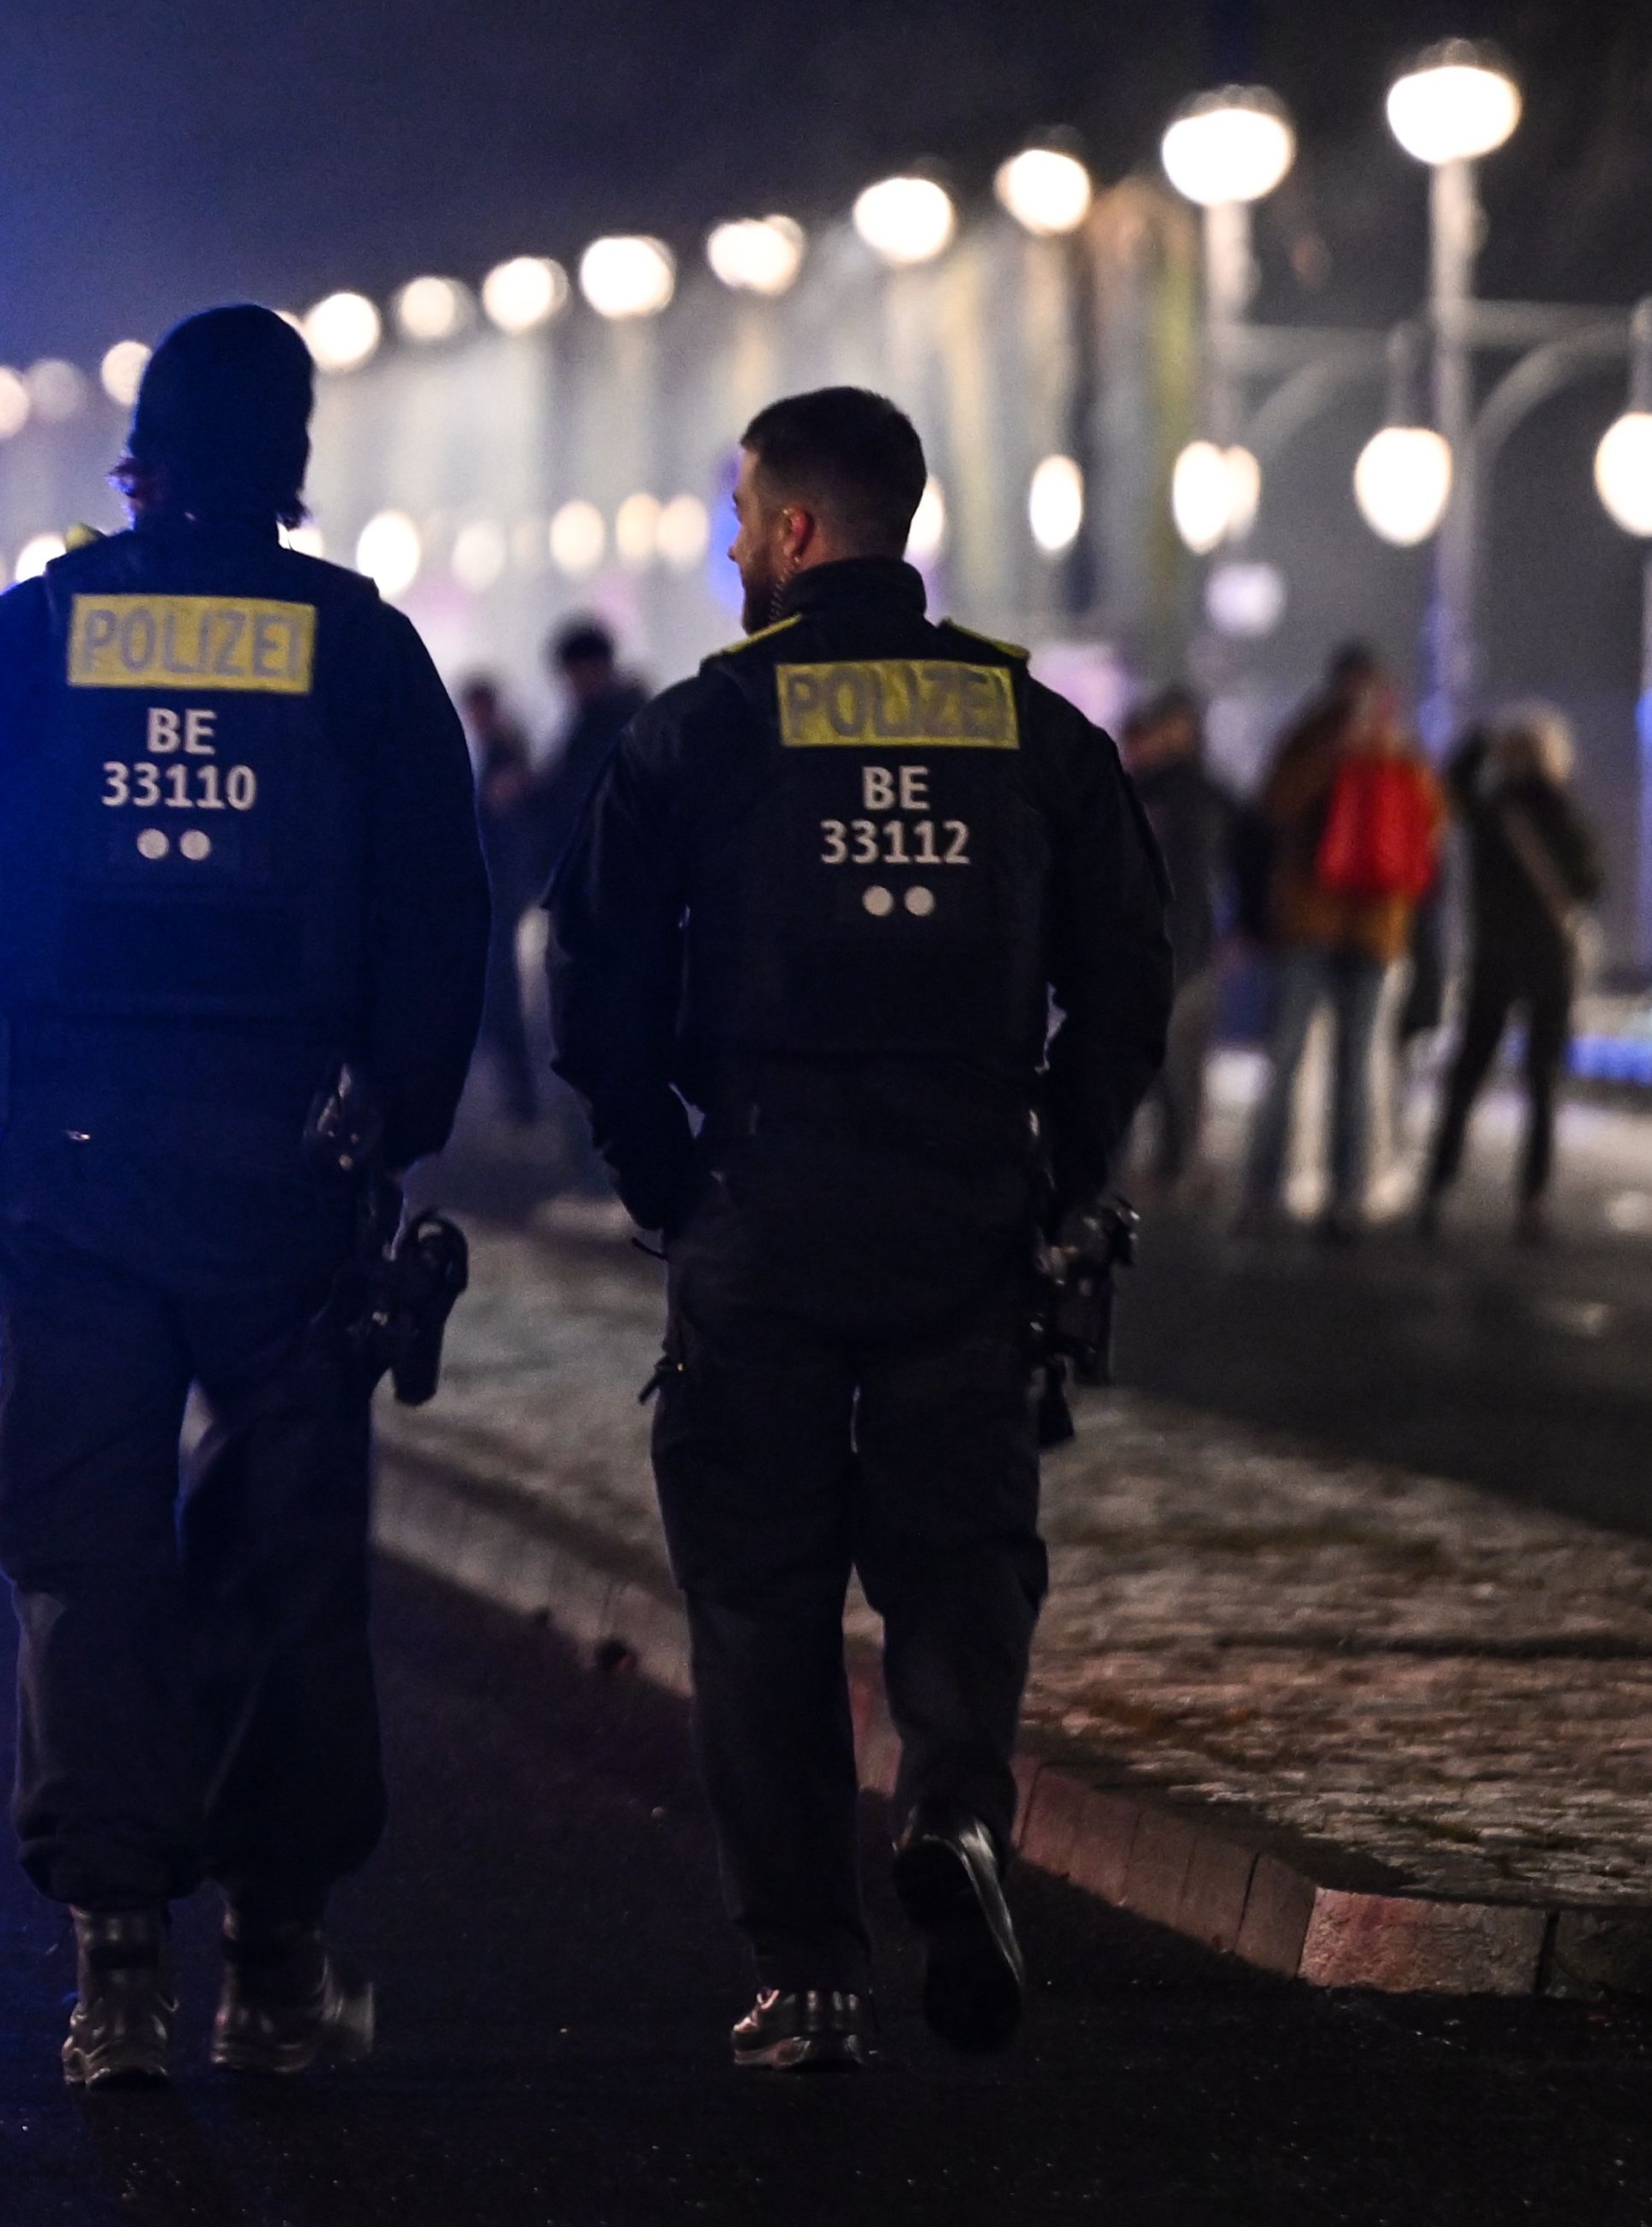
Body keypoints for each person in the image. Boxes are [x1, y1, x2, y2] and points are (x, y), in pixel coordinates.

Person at [0, 303, 489, 2089]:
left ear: (135, 466)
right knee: (286, 1559)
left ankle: (111, 1966)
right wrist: (398, 1126)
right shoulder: (356, 647)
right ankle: (274, 1968)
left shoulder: (33, 634)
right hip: (294, 1175)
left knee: (81, 1550)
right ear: (288, 470)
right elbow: (448, 911)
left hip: (80, 1167)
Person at [549, 386, 1168, 2073]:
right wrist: (1061, 1161)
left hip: (757, 1198)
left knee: (756, 1594)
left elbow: (590, 966)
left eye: (744, 512)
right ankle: (953, 1812)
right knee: (958, 1562)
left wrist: (651, 1162)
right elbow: (1125, 971)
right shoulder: (1031, 727)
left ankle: (806, 1973)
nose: (732, 542)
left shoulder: (702, 727)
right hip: (967, 1209)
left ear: (801, 530)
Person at [1236, 644, 1443, 1240]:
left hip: (1375, 925)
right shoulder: (1308, 740)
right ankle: (1261, 1190)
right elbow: (1274, 804)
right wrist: (1331, 755)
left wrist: (1393, 759)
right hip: (1309, 920)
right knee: (1287, 1054)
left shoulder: (1403, 751)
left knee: (1355, 1065)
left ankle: (1345, 1198)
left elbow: (1430, 824)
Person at [1421, 705, 1600, 1241]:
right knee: (1542, 1083)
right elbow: (1591, 885)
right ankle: (1533, 1202)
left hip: (1494, 960)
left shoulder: (1489, 811)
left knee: (1466, 1077)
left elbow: (1448, 782)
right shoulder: (1566, 815)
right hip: (1548, 962)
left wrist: (1481, 740)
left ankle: (1435, 1189)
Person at [523, 619, 646, 1192]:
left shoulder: (609, 723)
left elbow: (578, 801)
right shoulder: (628, 718)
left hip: (604, 905)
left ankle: (604, 1174)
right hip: (612, 902)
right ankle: (607, 1169)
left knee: (589, 1036)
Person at [1121, 689, 1240, 1201]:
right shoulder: (1165, 790)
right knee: (1171, 1061)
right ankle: (1176, 1163)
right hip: (1168, 943)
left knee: (1171, 1059)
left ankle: (1176, 1164)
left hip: (1177, 944)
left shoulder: (1181, 792)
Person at [458, 675, 540, 1119]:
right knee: (496, 989)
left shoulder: (504, 753)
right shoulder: (503, 749)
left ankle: (519, 1097)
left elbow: (507, 827)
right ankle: (515, 1096)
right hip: (502, 886)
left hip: (500, 888)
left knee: (500, 991)